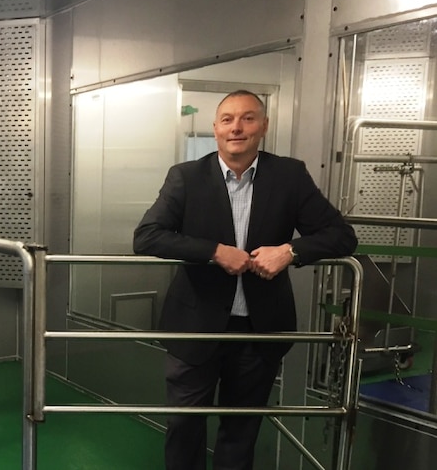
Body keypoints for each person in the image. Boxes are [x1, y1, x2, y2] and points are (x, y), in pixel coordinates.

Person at [132, 90, 357, 470]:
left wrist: (291, 251)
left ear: (264, 126)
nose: (237, 127)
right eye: (227, 119)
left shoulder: (290, 175)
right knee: (184, 426)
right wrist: (214, 251)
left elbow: (341, 235)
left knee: (242, 430)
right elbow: (147, 236)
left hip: (260, 330)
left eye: (248, 118)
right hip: (194, 328)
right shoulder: (186, 177)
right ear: (216, 129)